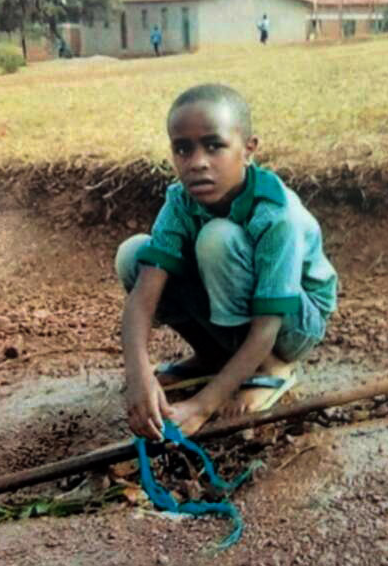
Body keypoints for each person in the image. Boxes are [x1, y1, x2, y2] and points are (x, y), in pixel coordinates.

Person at [116, 83, 337, 440]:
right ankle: (211, 355)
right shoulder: (180, 202)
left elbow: (268, 325)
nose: (197, 162)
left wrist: (204, 405)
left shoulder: (276, 213)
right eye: (183, 149)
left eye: (214, 145)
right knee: (133, 254)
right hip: (240, 310)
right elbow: (143, 297)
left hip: (292, 323)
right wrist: (137, 376)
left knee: (218, 239)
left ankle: (273, 369)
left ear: (248, 150)